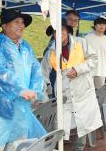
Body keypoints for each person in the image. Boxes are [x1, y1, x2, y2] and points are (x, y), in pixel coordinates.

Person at [0, 9, 45, 151]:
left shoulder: (25, 46)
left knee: (18, 144)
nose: (21, 25)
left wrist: (35, 90)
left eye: (22, 22)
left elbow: (36, 69)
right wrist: (20, 89)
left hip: (21, 106)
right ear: (4, 25)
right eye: (16, 22)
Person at [42, 20, 102, 150]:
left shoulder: (81, 42)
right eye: (56, 31)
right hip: (64, 92)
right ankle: (61, 147)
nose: (60, 33)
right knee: (62, 124)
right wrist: (48, 88)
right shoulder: (50, 51)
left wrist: (78, 69)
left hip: (82, 90)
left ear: (68, 30)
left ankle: (79, 148)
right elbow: (43, 72)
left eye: (62, 30)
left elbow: (94, 59)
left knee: (83, 122)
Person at [85, 17, 106, 88]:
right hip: (88, 71)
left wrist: (101, 62)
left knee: (99, 95)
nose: (102, 26)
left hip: (101, 71)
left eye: (104, 24)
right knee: (87, 94)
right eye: (99, 24)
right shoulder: (86, 38)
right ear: (95, 26)